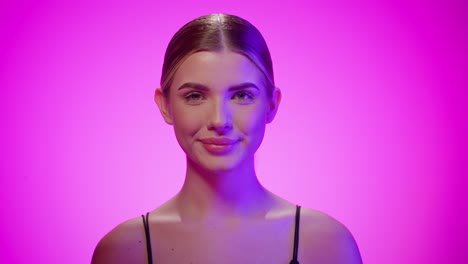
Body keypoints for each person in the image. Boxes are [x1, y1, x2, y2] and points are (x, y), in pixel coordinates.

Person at [92, 13, 362, 264]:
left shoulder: (327, 245)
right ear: (165, 105)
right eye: (195, 96)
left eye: (241, 95)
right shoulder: (122, 251)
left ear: (271, 105)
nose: (220, 121)